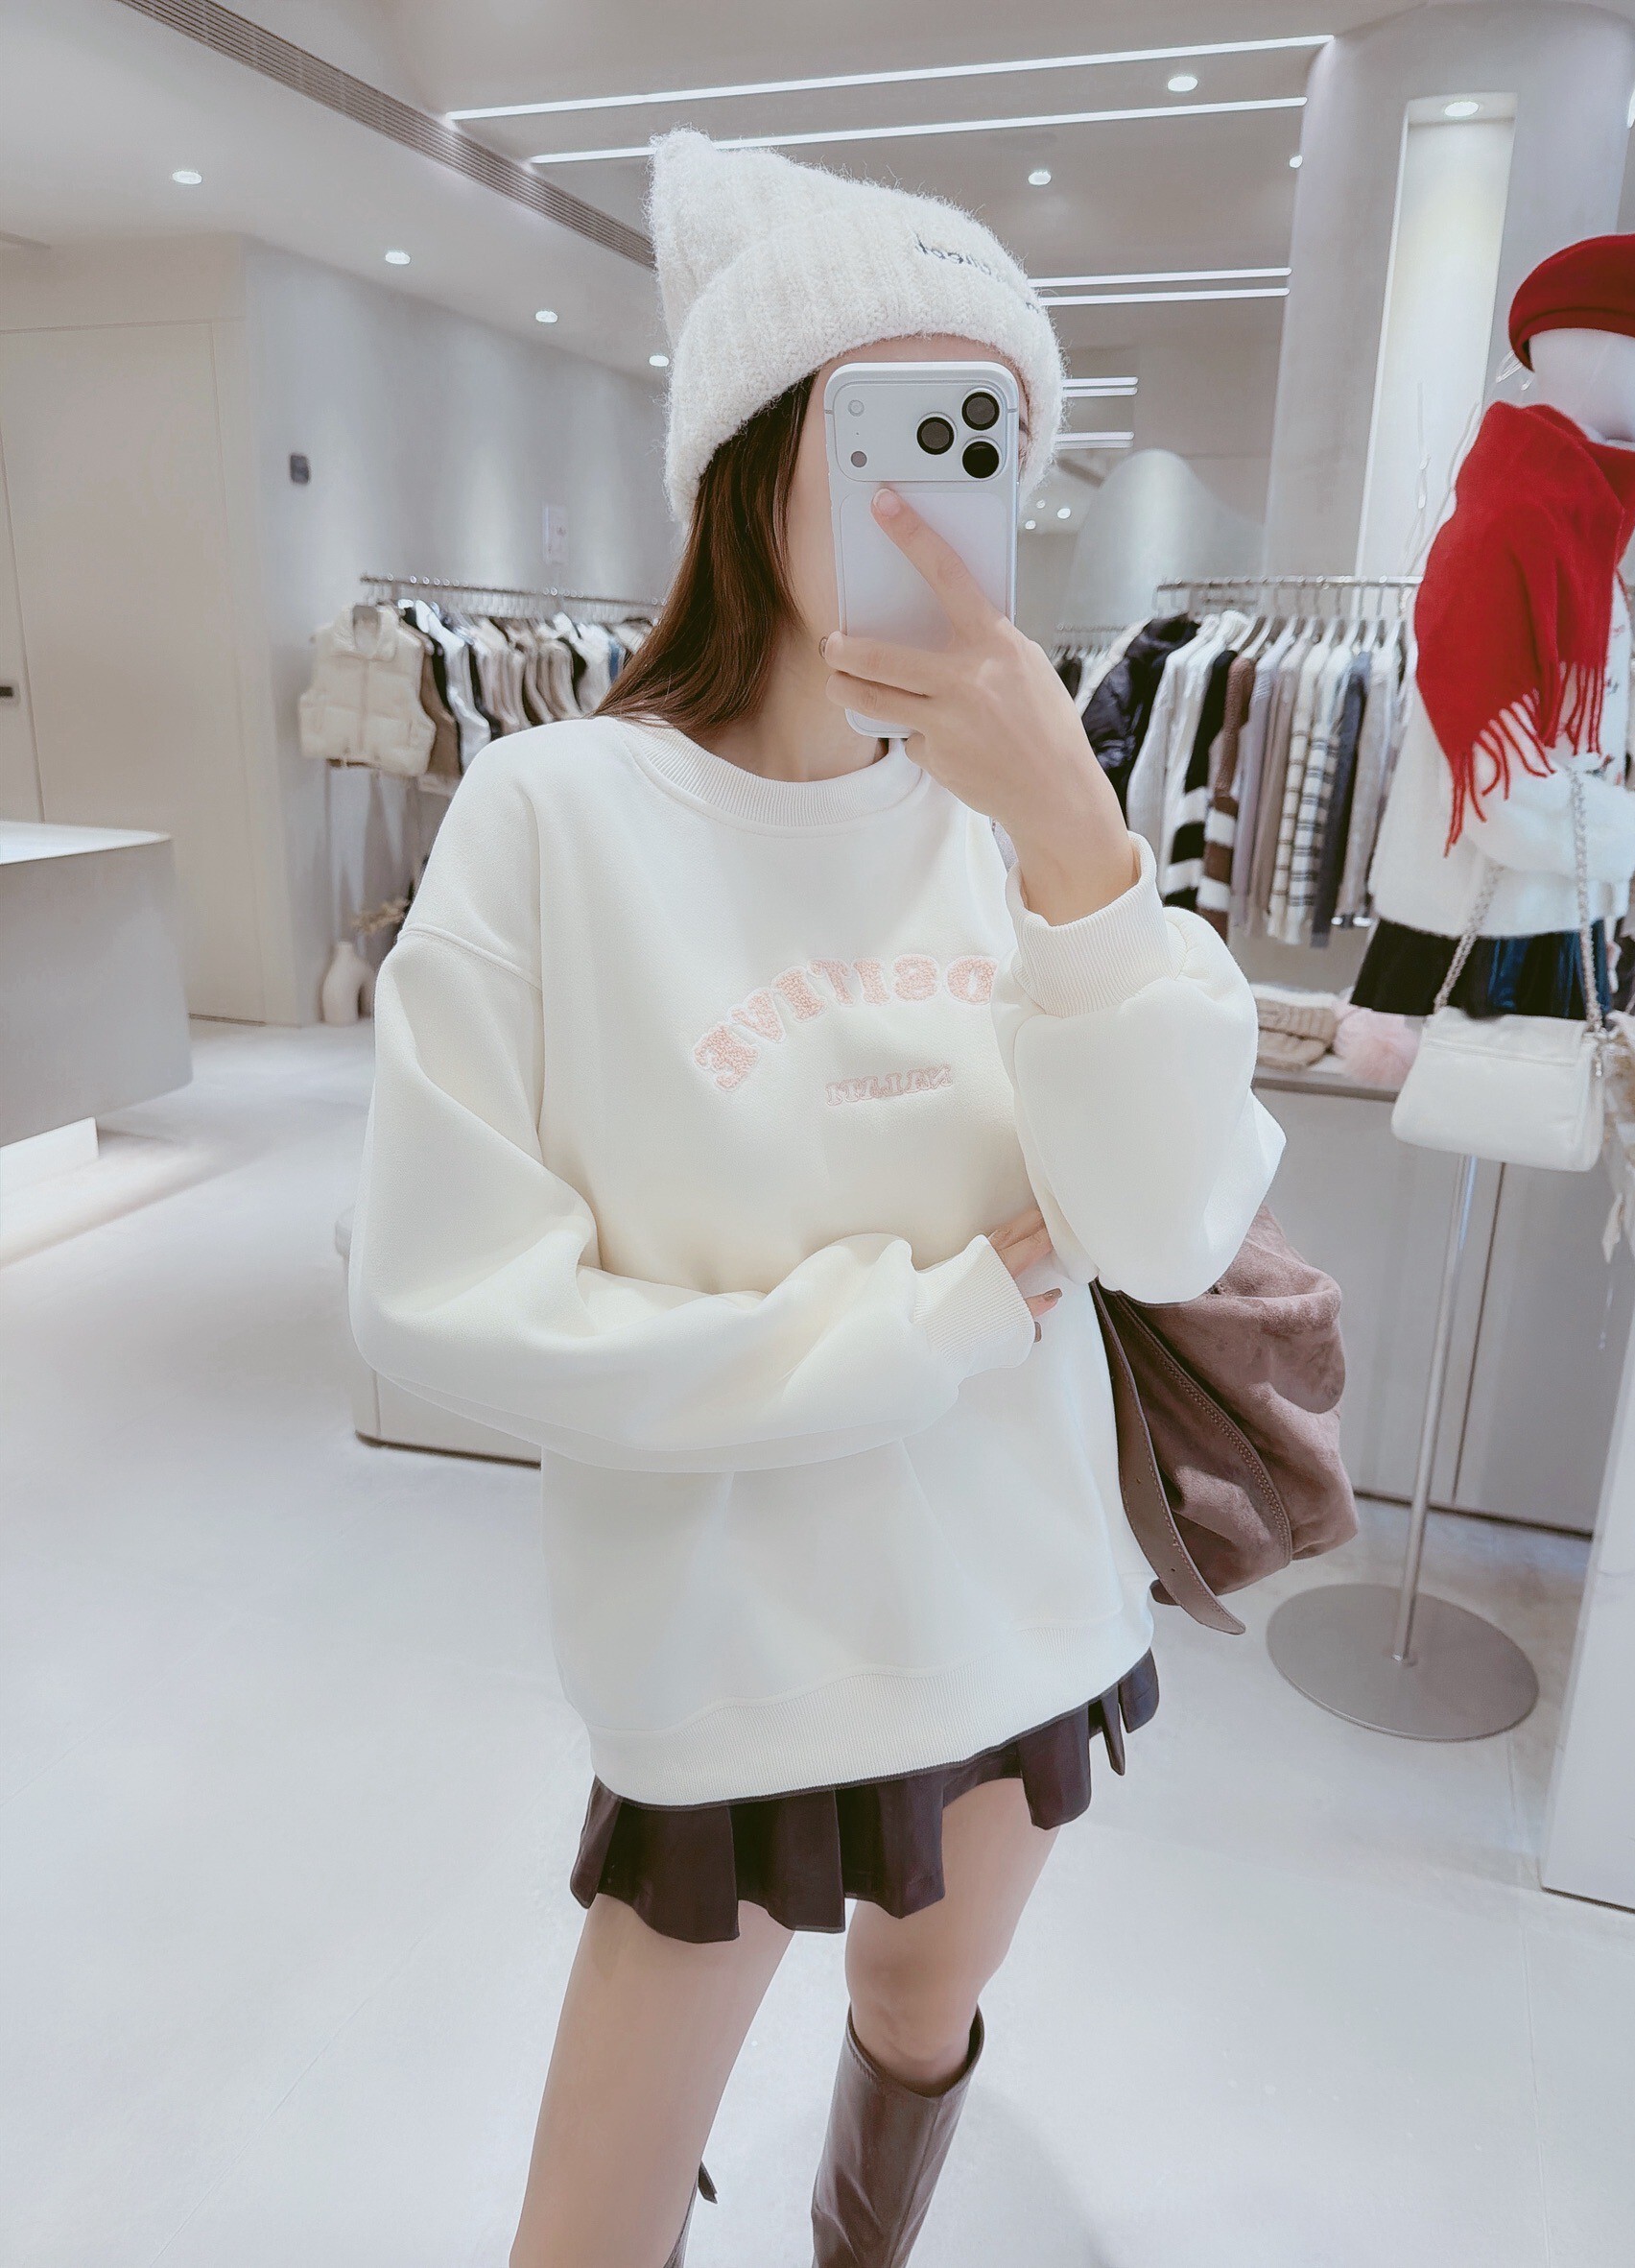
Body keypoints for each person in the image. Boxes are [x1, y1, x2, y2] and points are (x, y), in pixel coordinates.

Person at [348, 129, 1283, 2268]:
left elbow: (1161, 1230)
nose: (930, 499)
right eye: (886, 432)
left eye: (983, 445)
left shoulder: (1031, 822)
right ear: (751, 450)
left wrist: (1079, 852)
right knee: (589, 2215)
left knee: (918, 2007)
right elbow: (440, 1297)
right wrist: (922, 1321)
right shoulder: (554, 817)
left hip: (1017, 1603)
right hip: (730, 1652)